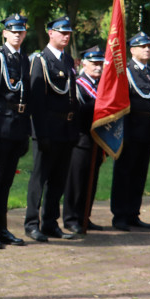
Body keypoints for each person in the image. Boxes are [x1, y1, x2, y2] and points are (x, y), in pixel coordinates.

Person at [23, 16, 80, 242]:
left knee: (58, 180)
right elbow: (36, 101)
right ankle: (31, 223)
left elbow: (71, 96)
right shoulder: (41, 60)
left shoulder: (67, 60)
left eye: (68, 33)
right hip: (47, 128)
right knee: (39, 178)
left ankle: (50, 222)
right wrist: (40, 132)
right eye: (61, 32)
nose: (66, 36)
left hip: (66, 129)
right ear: (50, 33)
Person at [0, 14, 32, 249]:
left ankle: (2, 228)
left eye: (21, 31)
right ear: (5, 33)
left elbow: (26, 97)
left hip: (17, 127)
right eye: (13, 31)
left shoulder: (23, 59)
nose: (17, 35)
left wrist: (26, 133)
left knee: (8, 180)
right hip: (1, 128)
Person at [110, 32, 150, 231]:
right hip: (130, 130)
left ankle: (133, 213)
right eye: (142, 46)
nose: (147, 49)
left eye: (149, 46)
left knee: (139, 174)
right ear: (132, 50)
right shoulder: (126, 70)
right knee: (124, 174)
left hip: (147, 131)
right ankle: (120, 215)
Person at [62, 47, 105, 234]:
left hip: (97, 140)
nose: (98, 67)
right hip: (81, 139)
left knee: (91, 180)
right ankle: (71, 218)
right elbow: (79, 109)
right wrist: (101, 104)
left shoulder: (102, 86)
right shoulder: (79, 84)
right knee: (76, 181)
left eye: (100, 63)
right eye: (94, 63)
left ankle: (84, 216)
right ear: (84, 63)